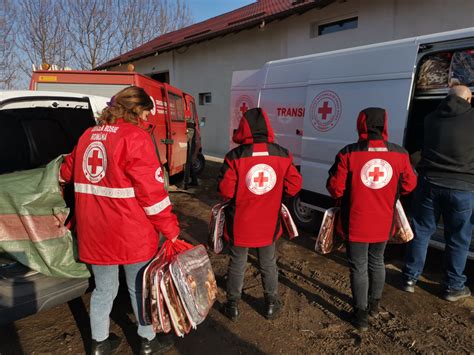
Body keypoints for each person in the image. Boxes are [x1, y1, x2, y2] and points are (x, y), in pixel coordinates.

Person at [60, 86, 180, 355]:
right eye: (147, 111)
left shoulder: (87, 136)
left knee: (103, 289)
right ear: (135, 110)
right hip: (130, 233)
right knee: (139, 287)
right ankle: (147, 341)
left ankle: (99, 343)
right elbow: (152, 195)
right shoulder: (135, 138)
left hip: (94, 232)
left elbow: (65, 171)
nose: (149, 117)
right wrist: (170, 229)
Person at [327, 107, 417, 331]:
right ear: (385, 125)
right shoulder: (400, 153)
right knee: (377, 261)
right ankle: (374, 305)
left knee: (358, 266)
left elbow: (335, 189)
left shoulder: (349, 153)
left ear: (361, 124)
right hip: (384, 221)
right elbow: (409, 186)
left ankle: (360, 316)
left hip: (356, 221)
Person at [217, 107, 302, 321]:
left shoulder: (234, 156)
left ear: (244, 128)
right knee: (268, 262)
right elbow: (294, 186)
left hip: (241, 222)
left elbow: (226, 191)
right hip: (268, 221)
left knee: (237, 262)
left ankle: (233, 306)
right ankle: (271, 303)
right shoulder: (282, 154)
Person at [403, 85, 473, 302]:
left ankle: (409, 278)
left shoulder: (430, 118)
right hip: (463, 186)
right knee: (458, 238)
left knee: (422, 231)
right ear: (469, 99)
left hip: (429, 183)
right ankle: (453, 286)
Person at [183, 116, 199, 189]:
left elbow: (189, 138)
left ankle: (185, 184)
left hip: (190, 148)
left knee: (188, 165)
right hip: (191, 148)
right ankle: (194, 181)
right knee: (190, 165)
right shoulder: (194, 128)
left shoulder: (191, 129)